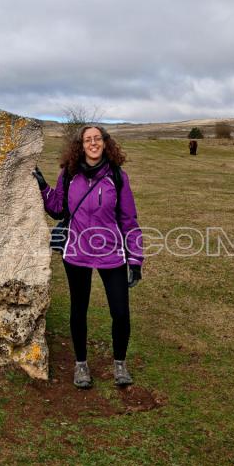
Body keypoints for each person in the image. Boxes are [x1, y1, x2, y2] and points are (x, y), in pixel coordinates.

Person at [32, 126, 144, 388]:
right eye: (87, 140)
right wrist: (43, 187)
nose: (93, 143)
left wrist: (135, 259)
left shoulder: (117, 177)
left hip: (111, 254)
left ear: (105, 144)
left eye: (97, 139)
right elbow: (59, 209)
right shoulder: (69, 174)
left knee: (120, 312)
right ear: (81, 146)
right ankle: (80, 365)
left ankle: (120, 364)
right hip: (76, 253)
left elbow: (129, 220)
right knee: (78, 310)